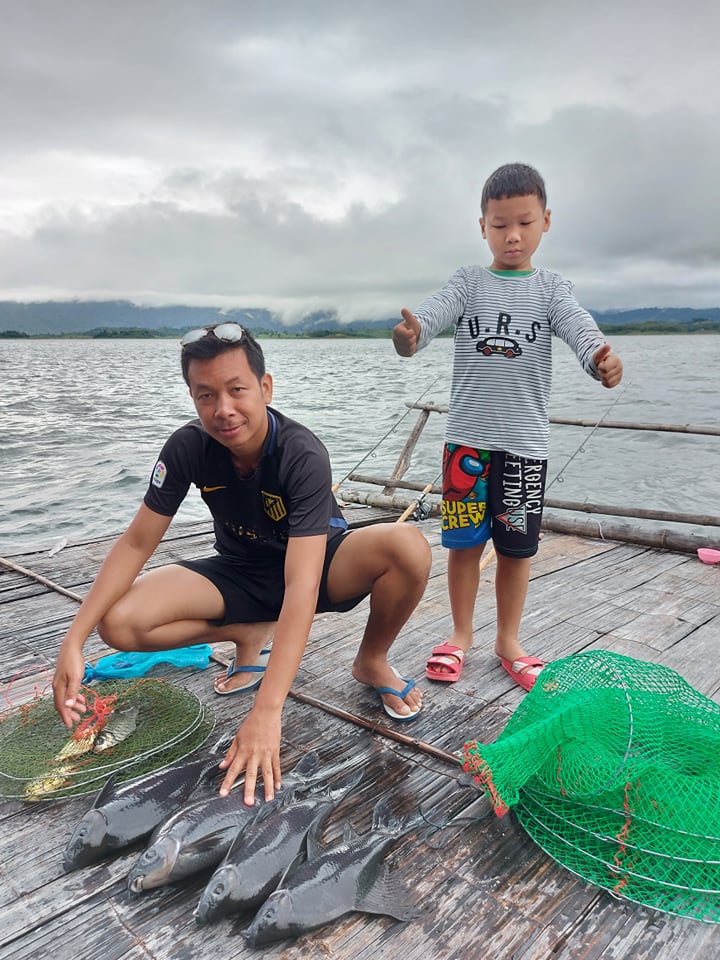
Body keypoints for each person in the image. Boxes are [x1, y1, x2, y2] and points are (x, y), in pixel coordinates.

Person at [52, 323, 431, 804]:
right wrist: (74, 639)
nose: (223, 410)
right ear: (191, 397)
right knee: (119, 623)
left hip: (318, 567)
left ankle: (372, 661)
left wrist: (267, 711)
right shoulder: (187, 447)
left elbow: (301, 586)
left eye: (236, 390)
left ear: (265, 387)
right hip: (240, 570)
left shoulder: (301, 452)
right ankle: (248, 632)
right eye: (205, 395)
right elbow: (135, 544)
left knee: (409, 546)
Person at [392, 162, 623, 692]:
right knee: (464, 545)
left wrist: (602, 363)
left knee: (518, 550)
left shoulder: (552, 289)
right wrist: (411, 336)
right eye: (499, 225)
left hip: (524, 446)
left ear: (545, 221)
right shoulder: (469, 283)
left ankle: (509, 641)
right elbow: (429, 318)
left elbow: (581, 331)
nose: (512, 235)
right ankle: (460, 634)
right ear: (482, 227)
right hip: (466, 445)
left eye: (523, 222)